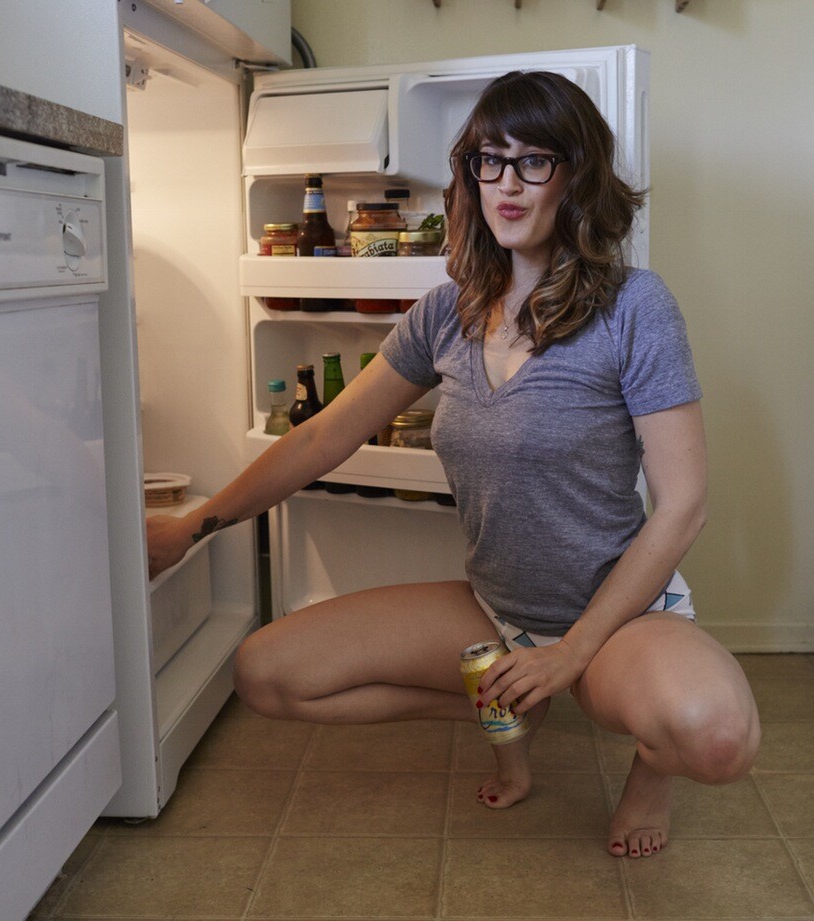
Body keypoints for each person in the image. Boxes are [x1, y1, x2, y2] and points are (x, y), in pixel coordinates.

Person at [146, 70, 760, 859]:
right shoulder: (447, 313)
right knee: (266, 673)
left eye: (534, 160)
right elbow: (319, 440)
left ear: (577, 176)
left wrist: (570, 652)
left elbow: (683, 505)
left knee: (717, 736)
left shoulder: (634, 308)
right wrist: (195, 525)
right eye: (488, 159)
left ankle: (650, 776)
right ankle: (509, 704)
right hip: (496, 610)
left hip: (617, 620)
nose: (507, 182)